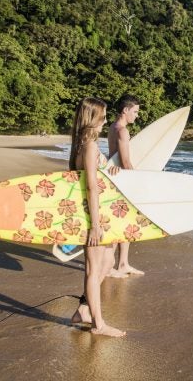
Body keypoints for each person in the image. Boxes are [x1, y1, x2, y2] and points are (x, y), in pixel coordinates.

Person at [68, 97, 126, 337]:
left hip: (96, 213)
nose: (105, 121)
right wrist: (94, 226)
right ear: (93, 118)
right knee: (94, 269)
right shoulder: (89, 146)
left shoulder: (81, 144)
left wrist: (109, 169)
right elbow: (91, 186)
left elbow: (91, 178)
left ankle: (83, 309)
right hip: (92, 216)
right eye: (102, 117)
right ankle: (98, 325)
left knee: (106, 262)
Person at [107, 94, 145, 277]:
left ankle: (122, 264)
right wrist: (137, 182)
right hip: (121, 181)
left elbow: (112, 157)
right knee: (119, 224)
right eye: (135, 111)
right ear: (125, 110)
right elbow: (126, 162)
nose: (137, 116)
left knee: (125, 222)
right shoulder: (123, 131)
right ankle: (109, 266)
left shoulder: (112, 128)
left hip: (114, 177)